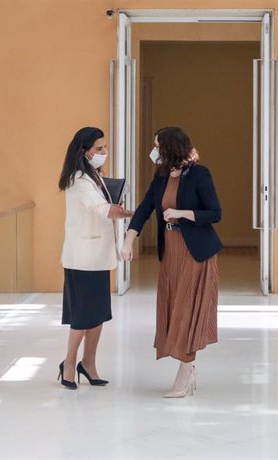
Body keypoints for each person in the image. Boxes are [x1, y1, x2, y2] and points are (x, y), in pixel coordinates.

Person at [121, 126, 222, 398]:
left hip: (195, 252)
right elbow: (144, 210)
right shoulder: (161, 177)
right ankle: (187, 370)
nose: (153, 151)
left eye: (157, 145)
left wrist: (181, 213)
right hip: (172, 252)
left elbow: (214, 213)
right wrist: (128, 240)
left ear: (170, 148)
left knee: (185, 310)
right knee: (173, 306)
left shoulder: (199, 174)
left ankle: (185, 372)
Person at [58, 127, 134, 390]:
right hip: (82, 259)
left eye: (105, 148)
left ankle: (88, 363)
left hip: (99, 257)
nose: (104, 153)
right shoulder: (78, 179)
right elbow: (102, 210)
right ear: (84, 151)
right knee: (81, 317)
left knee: (98, 314)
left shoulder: (95, 176)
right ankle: (69, 364)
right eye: (99, 149)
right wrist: (132, 214)